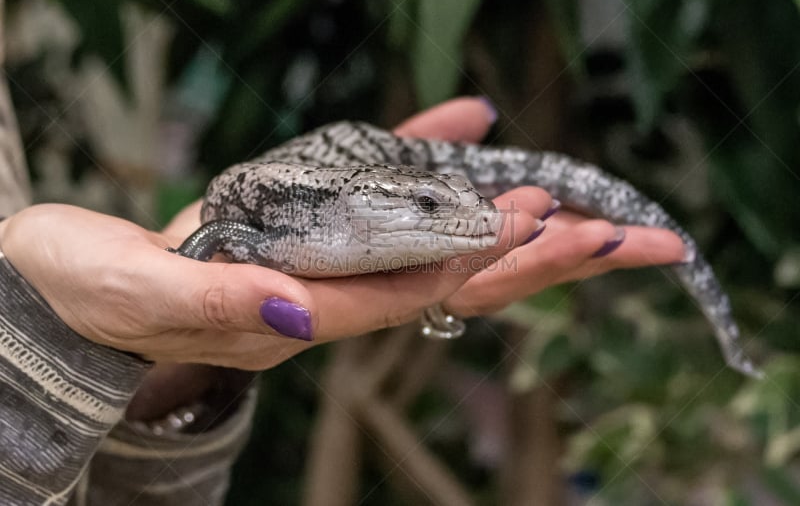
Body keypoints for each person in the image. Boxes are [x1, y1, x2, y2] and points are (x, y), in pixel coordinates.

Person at [0, 87, 685, 506]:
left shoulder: (368, 206)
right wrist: (167, 285)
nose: (464, 219)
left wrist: (158, 346)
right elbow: (227, 231)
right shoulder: (289, 225)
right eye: (420, 204)